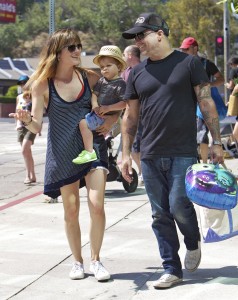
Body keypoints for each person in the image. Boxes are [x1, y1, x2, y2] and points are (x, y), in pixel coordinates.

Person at [121, 12, 224, 289]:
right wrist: (125, 153)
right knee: (159, 214)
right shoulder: (136, 73)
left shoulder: (189, 64)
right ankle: (171, 267)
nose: (138, 41)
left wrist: (216, 141)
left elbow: (207, 104)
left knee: (179, 205)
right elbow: (130, 117)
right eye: (135, 37)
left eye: (141, 35)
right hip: (150, 153)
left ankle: (192, 242)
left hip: (183, 151)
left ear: (160, 33)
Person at [9, 29, 119, 281]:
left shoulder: (90, 78)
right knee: (71, 210)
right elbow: (37, 126)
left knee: (97, 205)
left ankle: (96, 260)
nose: (78, 51)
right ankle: (77, 262)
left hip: (92, 149)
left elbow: (117, 99)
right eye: (72, 48)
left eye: (79, 46)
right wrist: (26, 120)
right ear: (58, 52)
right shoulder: (41, 85)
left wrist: (111, 120)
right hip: (63, 150)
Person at [72, 45, 127, 165]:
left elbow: (124, 103)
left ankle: (89, 151)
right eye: (102, 67)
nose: (104, 69)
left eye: (108, 66)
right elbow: (95, 95)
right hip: (100, 114)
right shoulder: (102, 81)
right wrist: (94, 105)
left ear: (118, 67)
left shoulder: (121, 84)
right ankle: (95, 152)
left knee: (83, 124)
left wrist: (108, 108)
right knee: (90, 129)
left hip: (112, 118)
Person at [180, 37, 225, 163]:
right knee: (194, 135)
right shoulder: (181, 65)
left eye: (186, 49)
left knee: (202, 133)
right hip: (187, 106)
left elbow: (221, 79)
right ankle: (203, 163)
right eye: (182, 49)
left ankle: (205, 165)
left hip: (202, 105)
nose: (184, 52)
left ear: (195, 48)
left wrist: (208, 85)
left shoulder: (206, 64)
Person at [121, 45, 144, 185]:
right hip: (131, 116)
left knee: (142, 147)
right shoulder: (125, 73)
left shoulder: (145, 70)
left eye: (124, 54)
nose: (123, 57)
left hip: (146, 116)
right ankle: (142, 171)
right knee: (134, 147)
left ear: (129, 55)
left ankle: (143, 171)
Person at [15, 75, 37, 185]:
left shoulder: (34, 95)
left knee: (24, 150)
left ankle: (27, 176)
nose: (23, 85)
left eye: (24, 82)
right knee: (27, 152)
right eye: (21, 83)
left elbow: (38, 113)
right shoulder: (19, 97)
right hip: (20, 127)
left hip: (30, 126)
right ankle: (32, 175)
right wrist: (17, 124)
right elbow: (16, 111)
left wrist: (39, 127)